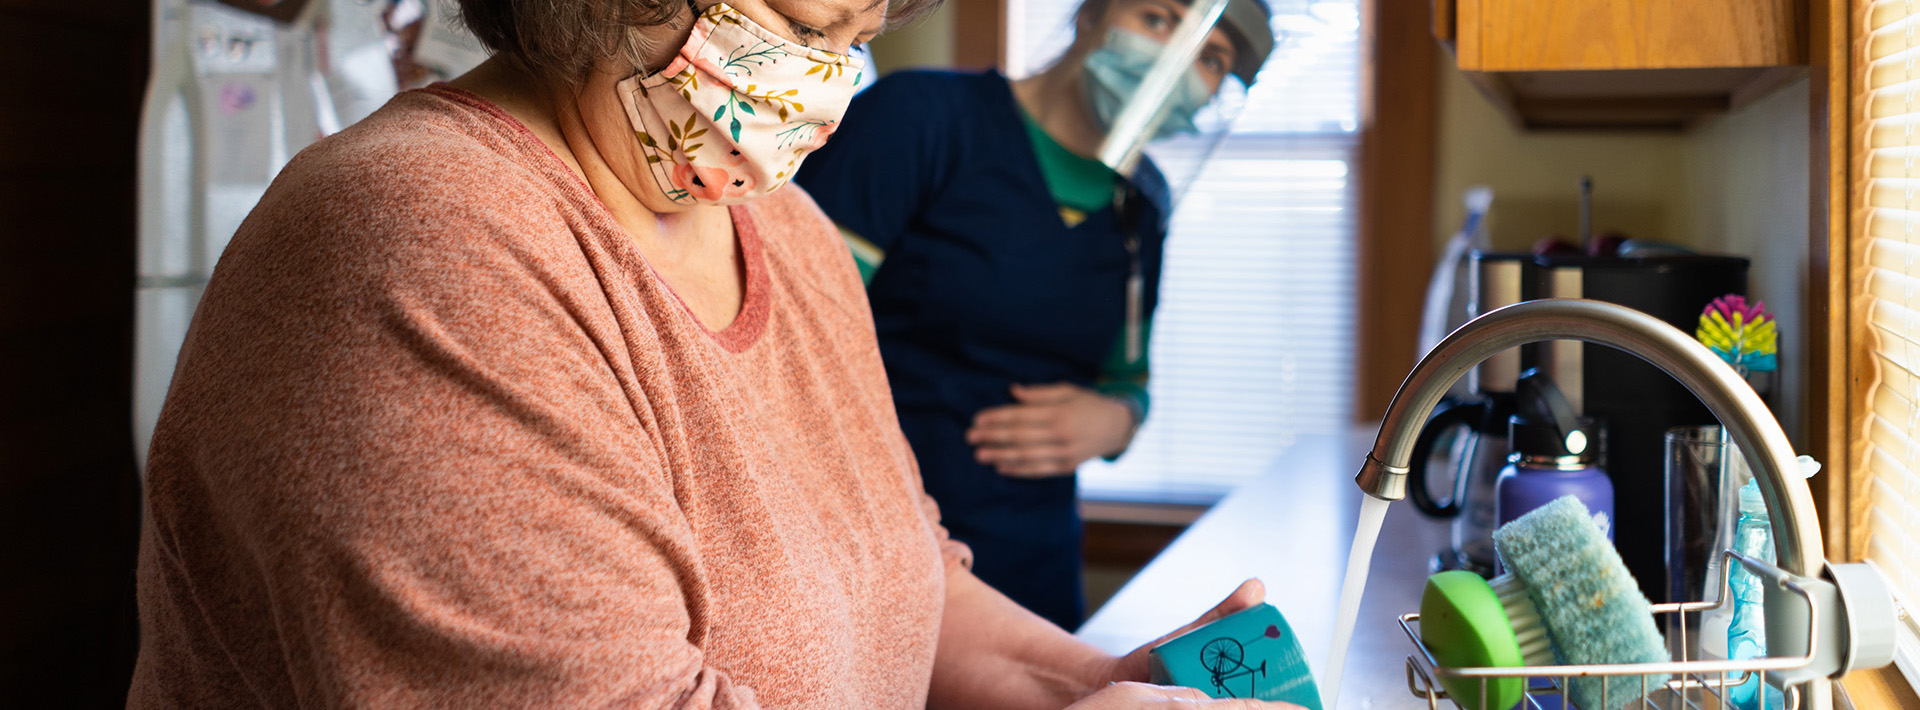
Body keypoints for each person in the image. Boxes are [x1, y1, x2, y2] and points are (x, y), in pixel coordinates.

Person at [124, 0, 1299, 708]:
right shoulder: (422, 241)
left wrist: (1087, 683)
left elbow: (902, 582)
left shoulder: (779, 226)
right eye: (800, 30)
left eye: (862, 34)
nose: (833, 86)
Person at [795, 0, 1275, 629]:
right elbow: (790, 329)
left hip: (1032, 563)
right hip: (865, 548)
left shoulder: (1141, 210)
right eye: (1158, 18)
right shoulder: (923, 121)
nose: (1178, 59)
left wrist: (1115, 421)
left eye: (1212, 58)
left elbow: (1128, 382)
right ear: (1091, 17)